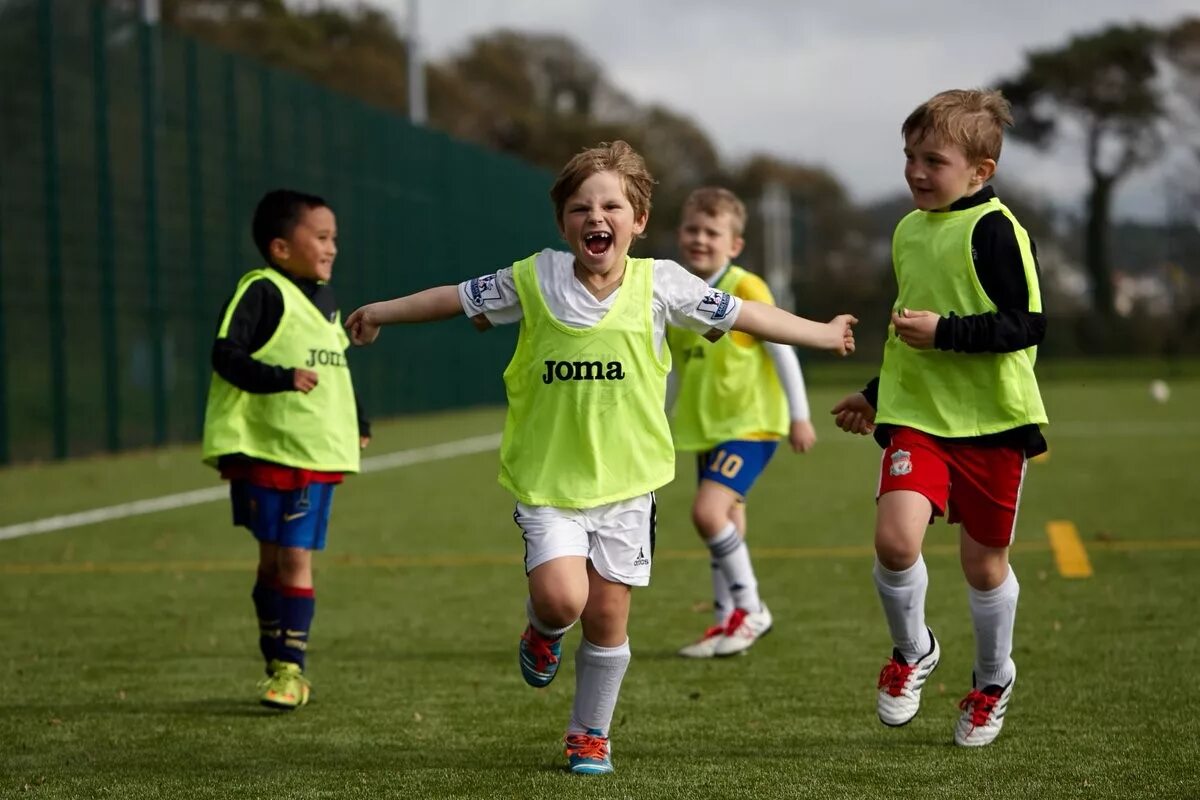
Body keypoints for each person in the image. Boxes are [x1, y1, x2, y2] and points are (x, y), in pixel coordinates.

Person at [344, 141, 856, 774]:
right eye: (581, 206)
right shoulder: (532, 278)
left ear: (637, 221)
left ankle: (590, 733)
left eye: (612, 204)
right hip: (550, 481)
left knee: (609, 615)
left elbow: (749, 313)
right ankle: (542, 629)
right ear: (563, 223)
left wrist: (823, 333)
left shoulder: (662, 284)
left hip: (628, 486)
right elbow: (453, 297)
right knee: (563, 600)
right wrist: (381, 314)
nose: (597, 216)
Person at [831, 89, 1048, 747]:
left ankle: (991, 682)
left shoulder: (996, 230)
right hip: (917, 419)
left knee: (984, 568)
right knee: (895, 542)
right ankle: (913, 651)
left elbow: (1027, 323)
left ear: (980, 171)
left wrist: (948, 332)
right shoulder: (906, 229)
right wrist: (875, 392)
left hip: (992, 425)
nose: (916, 171)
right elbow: (909, 330)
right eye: (910, 157)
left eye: (934, 160)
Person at [202, 189, 370, 711]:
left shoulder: (328, 301)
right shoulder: (262, 290)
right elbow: (225, 354)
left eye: (335, 238)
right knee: (272, 560)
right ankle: (274, 657)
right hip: (266, 451)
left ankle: (290, 670)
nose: (332, 247)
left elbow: (334, 373)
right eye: (320, 237)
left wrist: (356, 419)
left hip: (315, 456)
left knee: (295, 558)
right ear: (280, 247)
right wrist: (279, 378)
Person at [667, 187, 816, 658]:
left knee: (707, 514)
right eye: (692, 229)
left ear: (734, 245)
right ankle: (724, 621)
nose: (700, 239)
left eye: (713, 232)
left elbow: (782, 349)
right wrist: (659, 420)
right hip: (707, 428)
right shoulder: (677, 295)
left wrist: (800, 416)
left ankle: (751, 609)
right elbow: (675, 369)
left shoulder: (745, 287)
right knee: (726, 521)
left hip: (750, 426)